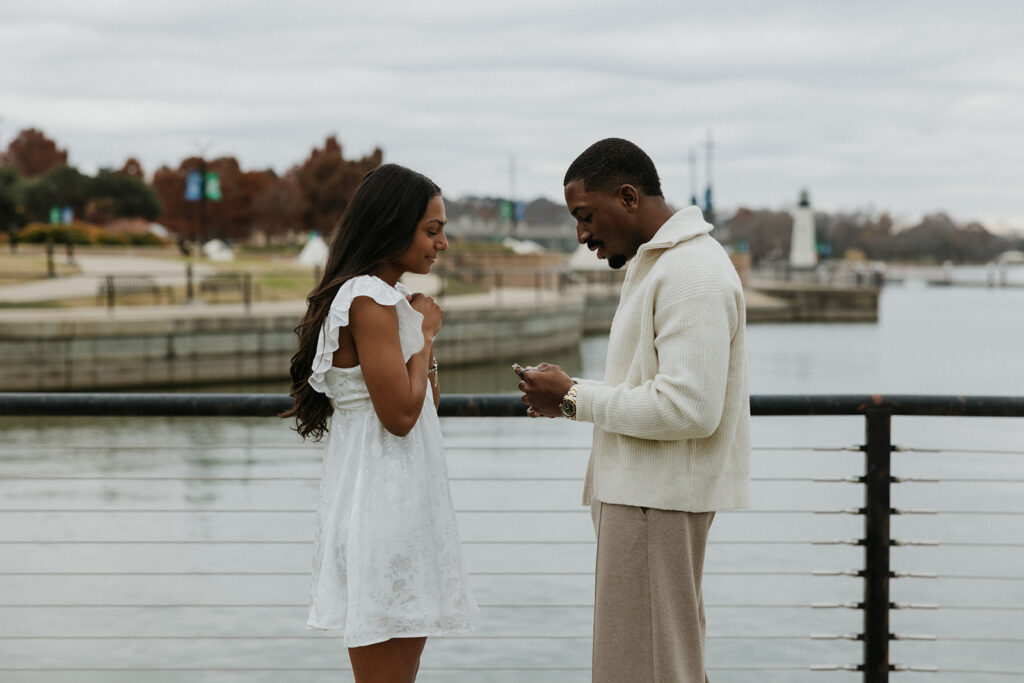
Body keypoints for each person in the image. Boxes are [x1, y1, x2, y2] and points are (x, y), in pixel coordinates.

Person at [516, 138, 750, 682]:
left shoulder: (689, 273)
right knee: (660, 663)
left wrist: (572, 397)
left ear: (627, 197)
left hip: (653, 506)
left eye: (585, 216)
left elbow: (690, 409)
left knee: (643, 670)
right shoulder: (665, 265)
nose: (581, 234)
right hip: (648, 502)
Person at [282, 164, 476, 682]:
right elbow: (400, 417)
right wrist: (428, 334)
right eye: (431, 230)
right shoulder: (368, 299)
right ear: (392, 225)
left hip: (397, 508)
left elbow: (425, 400)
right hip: (383, 513)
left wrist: (419, 336)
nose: (443, 243)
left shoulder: (387, 299)